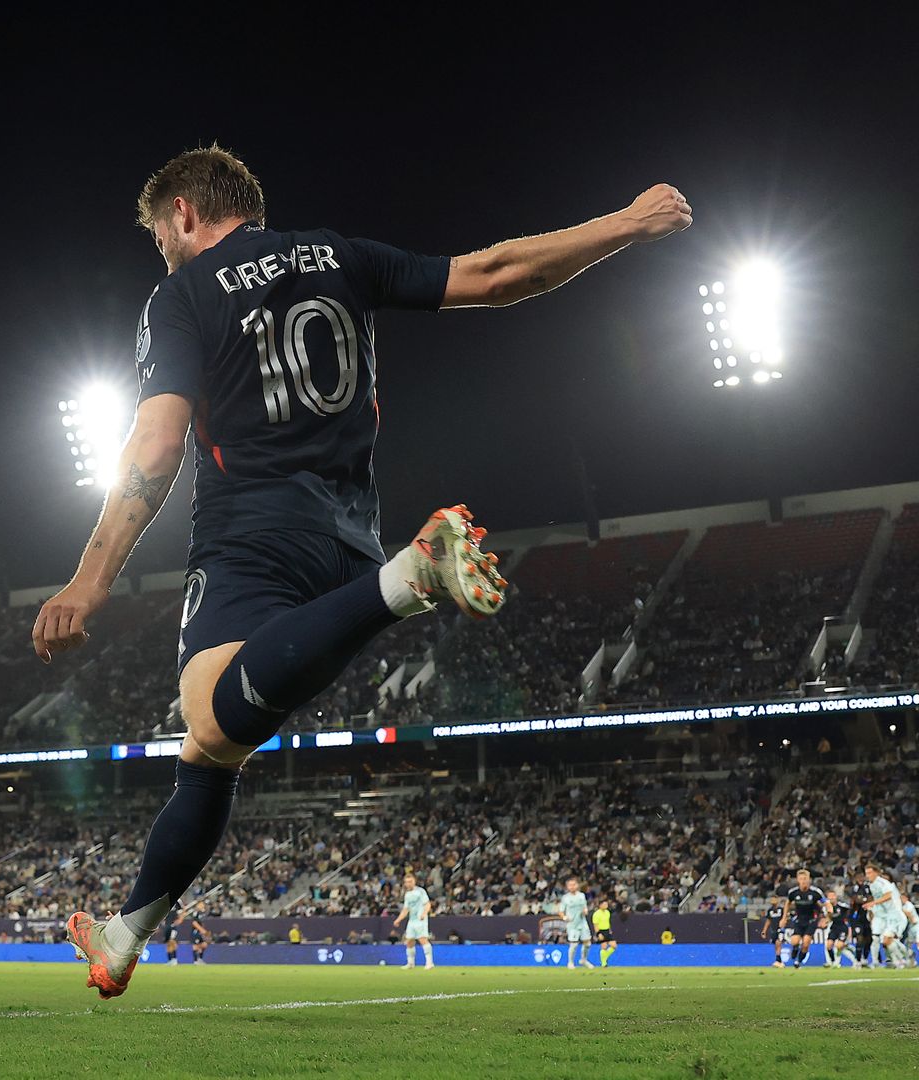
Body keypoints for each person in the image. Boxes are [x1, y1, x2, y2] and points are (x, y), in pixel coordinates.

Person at [51, 145, 691, 999]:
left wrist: (90, 579)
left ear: (183, 216)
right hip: (345, 539)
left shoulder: (182, 294)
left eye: (160, 240)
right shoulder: (342, 256)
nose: (162, 255)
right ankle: (126, 932)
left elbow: (160, 442)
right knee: (211, 749)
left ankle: (409, 579)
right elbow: (499, 275)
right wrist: (627, 223)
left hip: (251, 533)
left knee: (207, 717)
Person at [862, 864, 909, 968]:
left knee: (887, 940)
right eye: (866, 873)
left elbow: (888, 896)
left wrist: (873, 903)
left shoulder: (883, 883)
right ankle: (875, 962)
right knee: (875, 938)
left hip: (893, 915)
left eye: (869, 873)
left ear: (876, 873)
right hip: (881, 915)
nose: (867, 875)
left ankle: (903, 958)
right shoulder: (871, 884)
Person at [779, 869, 827, 968]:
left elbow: (826, 903)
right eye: (801, 879)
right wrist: (784, 918)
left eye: (805, 878)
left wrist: (825, 916)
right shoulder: (793, 892)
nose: (803, 881)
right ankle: (795, 949)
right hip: (799, 920)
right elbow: (787, 903)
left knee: (805, 943)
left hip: (811, 920)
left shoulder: (815, 892)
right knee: (794, 941)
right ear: (797, 880)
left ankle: (798, 961)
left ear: (809, 879)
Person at [394, 873, 433, 969]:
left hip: (420, 920)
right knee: (409, 941)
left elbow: (427, 904)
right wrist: (398, 920)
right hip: (412, 920)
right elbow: (405, 909)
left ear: (414, 881)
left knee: (422, 939)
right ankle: (411, 963)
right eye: (407, 882)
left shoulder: (420, 891)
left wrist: (424, 913)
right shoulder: (407, 894)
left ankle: (429, 963)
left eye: (410, 881)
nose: (408, 883)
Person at [556, 878, 592, 970]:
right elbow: (560, 911)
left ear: (577, 885)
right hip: (572, 924)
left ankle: (583, 960)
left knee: (587, 943)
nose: (572, 887)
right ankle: (570, 962)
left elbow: (585, 907)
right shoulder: (565, 898)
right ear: (567, 887)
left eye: (574, 884)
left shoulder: (581, 896)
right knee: (574, 944)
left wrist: (585, 911)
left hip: (582, 922)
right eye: (570, 885)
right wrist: (564, 917)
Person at [823, 888, 857, 968]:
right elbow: (828, 918)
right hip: (833, 927)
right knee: (829, 945)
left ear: (836, 897)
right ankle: (833, 961)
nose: (831, 898)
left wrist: (849, 921)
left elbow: (851, 909)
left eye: (832, 896)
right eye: (829, 896)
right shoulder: (826, 908)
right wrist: (826, 921)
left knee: (839, 946)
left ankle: (848, 958)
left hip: (843, 927)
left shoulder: (842, 905)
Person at [758, 894, 787, 967]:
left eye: (774, 899)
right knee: (776, 945)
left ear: (777, 900)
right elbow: (768, 921)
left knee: (778, 942)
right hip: (773, 929)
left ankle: (778, 960)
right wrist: (764, 930)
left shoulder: (781, 909)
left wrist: (783, 926)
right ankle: (779, 961)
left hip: (780, 929)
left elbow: (785, 918)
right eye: (771, 899)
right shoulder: (770, 910)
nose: (772, 901)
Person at [592, 897, 617, 967]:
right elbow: (595, 925)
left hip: (607, 930)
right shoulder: (596, 914)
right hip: (601, 931)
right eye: (604, 904)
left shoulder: (607, 912)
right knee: (604, 946)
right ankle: (604, 963)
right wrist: (598, 933)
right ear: (600, 905)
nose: (606, 905)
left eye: (606, 904)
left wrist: (610, 929)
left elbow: (608, 922)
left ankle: (604, 957)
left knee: (614, 945)